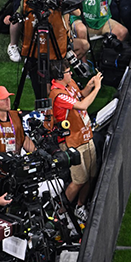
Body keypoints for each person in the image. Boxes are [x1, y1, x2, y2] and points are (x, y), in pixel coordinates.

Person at [49, 61, 103, 221]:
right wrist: (98, 88)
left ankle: (80, 206)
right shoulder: (58, 95)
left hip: (85, 135)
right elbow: (82, 105)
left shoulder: (70, 83)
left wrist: (90, 85)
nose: (71, 73)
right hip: (72, 142)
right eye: (67, 71)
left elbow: (81, 95)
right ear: (60, 76)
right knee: (79, 180)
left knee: (91, 175)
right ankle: (59, 213)